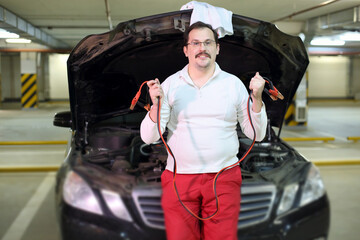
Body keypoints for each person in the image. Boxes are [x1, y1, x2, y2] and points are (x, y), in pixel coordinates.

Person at [140, 21, 267, 240]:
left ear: (217, 48)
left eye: (208, 42)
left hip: (223, 178)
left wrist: (256, 98)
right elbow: (149, 136)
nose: (202, 48)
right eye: (196, 43)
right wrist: (155, 104)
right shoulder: (170, 85)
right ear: (186, 50)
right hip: (179, 179)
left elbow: (256, 133)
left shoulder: (233, 84)